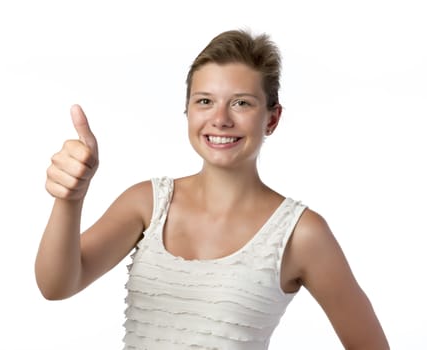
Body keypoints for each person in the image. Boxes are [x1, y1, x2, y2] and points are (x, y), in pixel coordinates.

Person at [35, 29, 389, 349]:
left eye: (241, 103)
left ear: (272, 118)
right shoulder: (147, 203)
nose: (220, 118)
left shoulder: (302, 234)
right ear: (187, 110)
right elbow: (57, 286)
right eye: (205, 101)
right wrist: (70, 199)